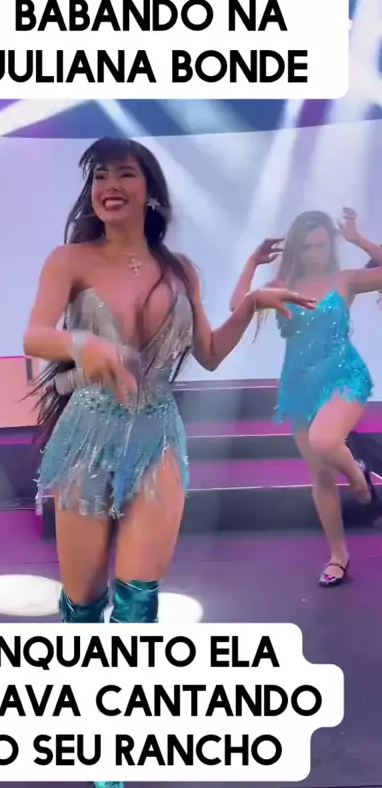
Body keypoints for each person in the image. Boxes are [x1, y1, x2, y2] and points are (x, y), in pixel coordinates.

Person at [23, 137, 314, 788]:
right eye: (99, 176)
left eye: (124, 173)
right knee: (82, 604)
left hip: (158, 436)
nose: (109, 185)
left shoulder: (180, 268)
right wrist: (84, 343)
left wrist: (251, 304)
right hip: (86, 436)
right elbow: (35, 334)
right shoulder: (69, 259)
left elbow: (207, 352)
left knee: (137, 604)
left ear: (150, 191)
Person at [230, 208, 382, 587]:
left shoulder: (345, 280)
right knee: (321, 476)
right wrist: (252, 263)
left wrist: (358, 239)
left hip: (345, 375)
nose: (315, 253)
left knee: (325, 440)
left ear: (331, 245)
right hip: (299, 385)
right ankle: (338, 556)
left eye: (321, 245)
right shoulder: (281, 284)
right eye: (307, 246)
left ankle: (360, 478)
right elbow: (237, 307)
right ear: (295, 249)